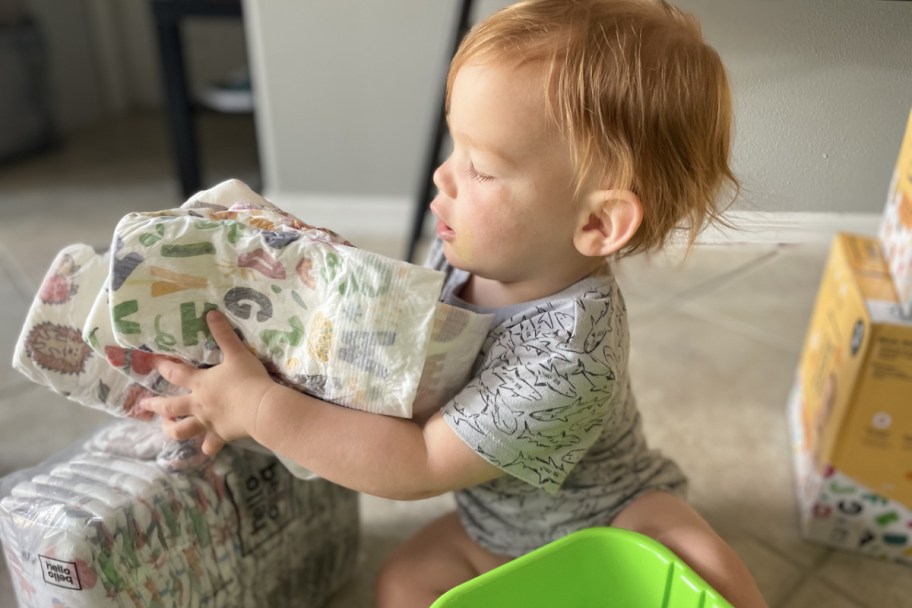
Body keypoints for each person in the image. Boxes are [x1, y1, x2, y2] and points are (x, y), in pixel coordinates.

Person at [141, 0, 768, 606]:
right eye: (454, 148)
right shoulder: (471, 253)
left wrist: (261, 407)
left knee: (704, 566)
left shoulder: (573, 355)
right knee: (404, 587)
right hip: (496, 528)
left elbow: (417, 462)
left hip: (607, 513)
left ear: (599, 225)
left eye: (483, 169)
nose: (443, 177)